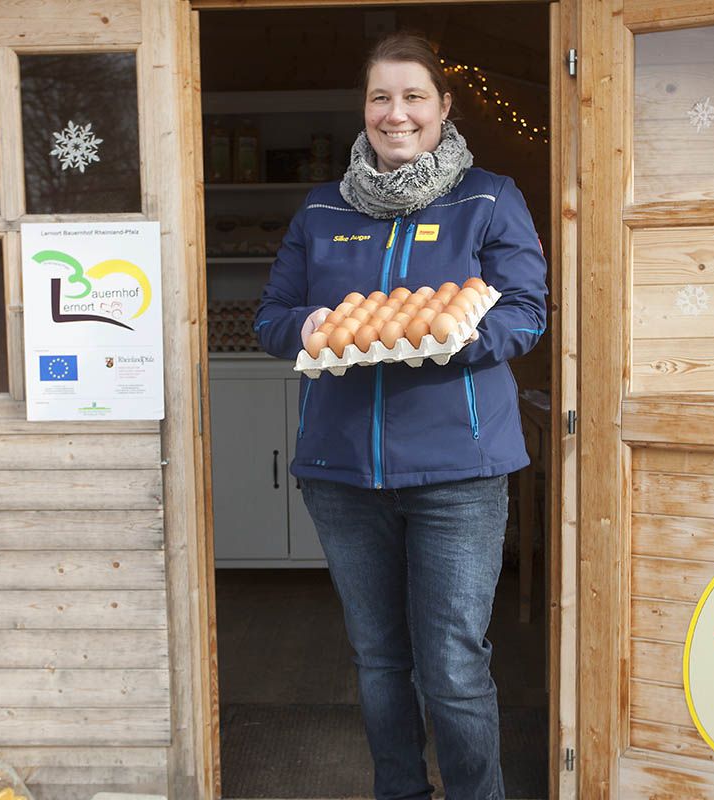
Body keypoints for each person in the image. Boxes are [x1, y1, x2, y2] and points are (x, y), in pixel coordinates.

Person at [253, 31, 548, 800]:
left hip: (459, 473)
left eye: (414, 95)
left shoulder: (488, 196)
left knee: (451, 662)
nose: (396, 113)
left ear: (443, 106)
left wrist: (456, 340)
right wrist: (310, 329)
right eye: (381, 96)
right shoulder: (321, 208)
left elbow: (525, 311)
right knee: (379, 660)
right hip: (342, 473)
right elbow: (273, 317)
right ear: (365, 108)